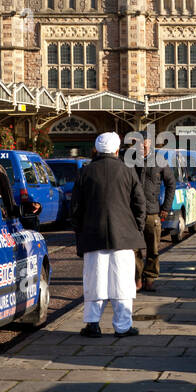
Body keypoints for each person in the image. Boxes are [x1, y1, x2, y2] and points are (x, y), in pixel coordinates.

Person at [71, 132, 146, 337]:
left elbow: (75, 208)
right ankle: (123, 326)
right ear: (116, 149)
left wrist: (80, 231)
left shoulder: (85, 172)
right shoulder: (127, 171)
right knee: (122, 283)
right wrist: (136, 228)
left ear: (96, 149)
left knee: (94, 282)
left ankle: (93, 324)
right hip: (123, 237)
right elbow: (140, 204)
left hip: (93, 236)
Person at [133, 138, 176, 293]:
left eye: (145, 141)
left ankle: (150, 278)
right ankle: (137, 279)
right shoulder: (130, 161)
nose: (142, 145)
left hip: (152, 212)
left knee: (153, 249)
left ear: (150, 142)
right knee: (133, 249)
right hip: (133, 213)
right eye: (139, 142)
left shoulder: (159, 160)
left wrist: (166, 207)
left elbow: (171, 183)